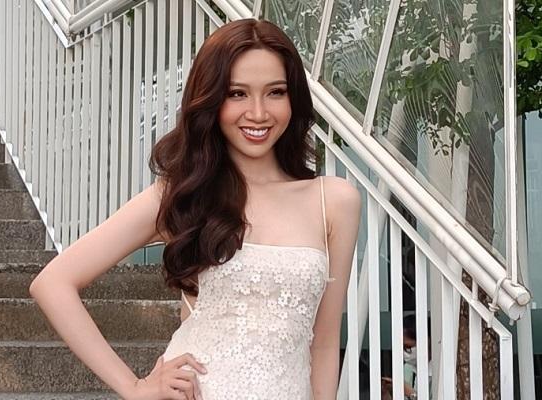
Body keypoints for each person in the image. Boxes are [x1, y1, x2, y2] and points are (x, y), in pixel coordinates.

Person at [30, 18, 361, 400]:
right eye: (237, 93)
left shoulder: (334, 201)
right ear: (211, 100)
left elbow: (324, 342)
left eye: (275, 92)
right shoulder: (184, 193)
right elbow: (53, 283)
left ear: (293, 98)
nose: (258, 113)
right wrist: (134, 387)